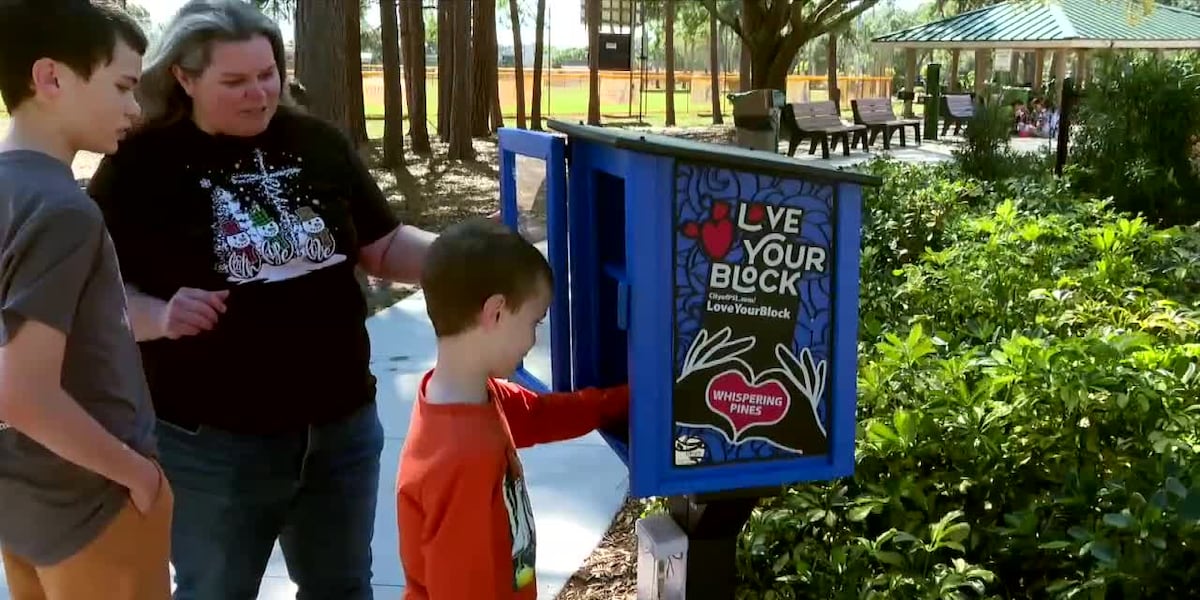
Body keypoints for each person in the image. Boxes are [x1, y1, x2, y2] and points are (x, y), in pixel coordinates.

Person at [85, 1, 437, 598]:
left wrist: (471, 258)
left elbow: (382, 244)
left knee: (344, 586)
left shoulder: (318, 141)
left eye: (267, 74)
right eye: (235, 81)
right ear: (184, 77)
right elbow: (90, 292)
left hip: (341, 427)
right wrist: (158, 316)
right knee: (216, 590)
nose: (259, 93)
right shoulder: (139, 165)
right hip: (214, 444)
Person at [0, 2, 172, 599]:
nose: (135, 108)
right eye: (124, 86)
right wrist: (138, 476)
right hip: (95, 507)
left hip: (22, 507)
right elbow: (22, 392)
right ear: (50, 78)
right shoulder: (64, 211)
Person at [396, 218, 630, 599]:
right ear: (497, 313)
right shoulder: (462, 460)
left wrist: (624, 400)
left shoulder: (467, 396)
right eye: (534, 322)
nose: (533, 338)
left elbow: (541, 415)